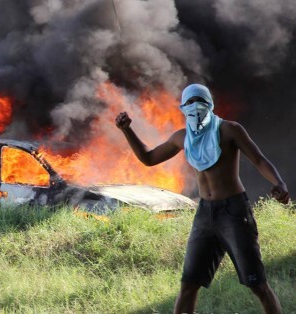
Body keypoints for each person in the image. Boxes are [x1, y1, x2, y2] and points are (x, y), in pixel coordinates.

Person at [115, 83, 289, 314]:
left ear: (210, 105)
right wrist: (127, 130)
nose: (195, 106)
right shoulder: (182, 137)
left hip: (234, 212)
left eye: (200, 101)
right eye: (189, 102)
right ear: (182, 107)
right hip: (205, 215)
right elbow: (148, 158)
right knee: (189, 284)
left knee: (257, 284)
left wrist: (279, 183)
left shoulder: (229, 130)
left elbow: (258, 159)